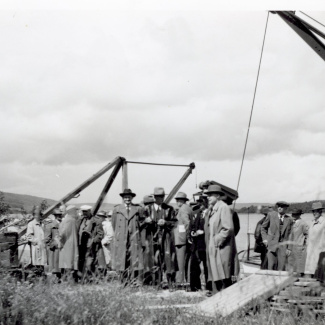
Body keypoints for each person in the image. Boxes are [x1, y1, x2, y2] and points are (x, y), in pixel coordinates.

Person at [204, 185, 239, 294]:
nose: (208, 197)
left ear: (218, 196)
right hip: (213, 249)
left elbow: (228, 228)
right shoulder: (212, 209)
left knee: (223, 274)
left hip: (221, 248)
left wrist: (216, 240)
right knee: (215, 274)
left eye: (211, 195)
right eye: (207, 195)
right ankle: (216, 298)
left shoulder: (223, 207)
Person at [111, 188, 144, 286]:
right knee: (121, 259)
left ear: (132, 197)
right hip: (121, 238)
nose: (127, 199)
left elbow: (141, 222)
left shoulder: (138, 209)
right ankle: (122, 281)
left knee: (134, 258)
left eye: (129, 197)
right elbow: (114, 224)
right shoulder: (117, 209)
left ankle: (134, 281)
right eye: (125, 197)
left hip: (134, 238)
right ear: (122, 198)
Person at [261, 201, 293, 271]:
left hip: (283, 247)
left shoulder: (289, 219)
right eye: (278, 206)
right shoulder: (271, 215)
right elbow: (263, 228)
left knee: (281, 268)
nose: (280, 208)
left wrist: (289, 248)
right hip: (271, 245)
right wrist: (265, 239)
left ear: (286, 208)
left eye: (282, 207)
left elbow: (291, 234)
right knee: (271, 266)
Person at [188, 195, 209, 292]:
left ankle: (210, 287)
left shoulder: (211, 213)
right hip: (196, 244)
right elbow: (192, 226)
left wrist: (204, 232)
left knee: (207, 266)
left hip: (206, 244)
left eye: (202, 202)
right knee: (194, 266)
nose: (200, 204)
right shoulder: (196, 213)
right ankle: (195, 287)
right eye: (199, 202)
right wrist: (192, 233)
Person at [173, 192, 192, 288]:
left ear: (183, 200)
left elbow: (187, 223)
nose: (177, 202)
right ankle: (185, 280)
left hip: (181, 239)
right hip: (183, 239)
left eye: (179, 200)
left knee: (180, 261)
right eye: (177, 200)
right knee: (184, 261)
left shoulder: (183, 209)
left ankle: (179, 282)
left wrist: (185, 235)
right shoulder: (187, 208)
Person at [59, 205, 79, 282]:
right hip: (69, 244)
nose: (76, 212)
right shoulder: (71, 220)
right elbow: (64, 232)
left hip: (67, 244)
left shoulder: (69, 220)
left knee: (67, 262)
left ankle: (66, 280)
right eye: (75, 211)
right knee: (69, 262)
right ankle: (69, 280)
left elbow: (63, 233)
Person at [305, 202, 325, 277]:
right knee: (311, 271)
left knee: (320, 271)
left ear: (320, 211)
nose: (314, 213)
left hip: (320, 251)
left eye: (316, 211)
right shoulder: (312, 222)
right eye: (313, 211)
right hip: (311, 251)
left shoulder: (323, 222)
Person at [26, 206, 47, 276]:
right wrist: (36, 241)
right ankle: (36, 277)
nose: (39, 216)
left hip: (42, 247)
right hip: (36, 247)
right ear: (34, 215)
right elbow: (29, 236)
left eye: (40, 215)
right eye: (38, 215)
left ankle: (41, 277)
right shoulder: (31, 224)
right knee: (36, 263)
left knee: (42, 263)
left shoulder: (42, 224)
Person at [287, 208, 308, 276]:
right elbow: (291, 236)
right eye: (292, 214)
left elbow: (307, 235)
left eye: (294, 214)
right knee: (291, 265)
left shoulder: (303, 224)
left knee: (299, 266)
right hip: (292, 248)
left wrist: (304, 245)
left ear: (299, 215)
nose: (292, 215)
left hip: (299, 248)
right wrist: (289, 248)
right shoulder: (293, 223)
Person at [77, 205, 95, 280]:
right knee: (81, 261)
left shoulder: (95, 220)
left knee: (89, 262)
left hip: (90, 245)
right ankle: (81, 277)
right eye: (83, 211)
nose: (84, 213)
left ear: (90, 211)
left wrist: (93, 242)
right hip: (81, 245)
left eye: (86, 211)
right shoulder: (80, 220)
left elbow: (100, 234)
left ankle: (90, 278)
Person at [45, 208, 63, 278]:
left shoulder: (63, 224)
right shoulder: (50, 225)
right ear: (54, 216)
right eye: (57, 215)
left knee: (61, 267)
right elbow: (46, 239)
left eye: (60, 215)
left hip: (62, 249)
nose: (59, 216)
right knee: (54, 267)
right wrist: (54, 243)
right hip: (54, 249)